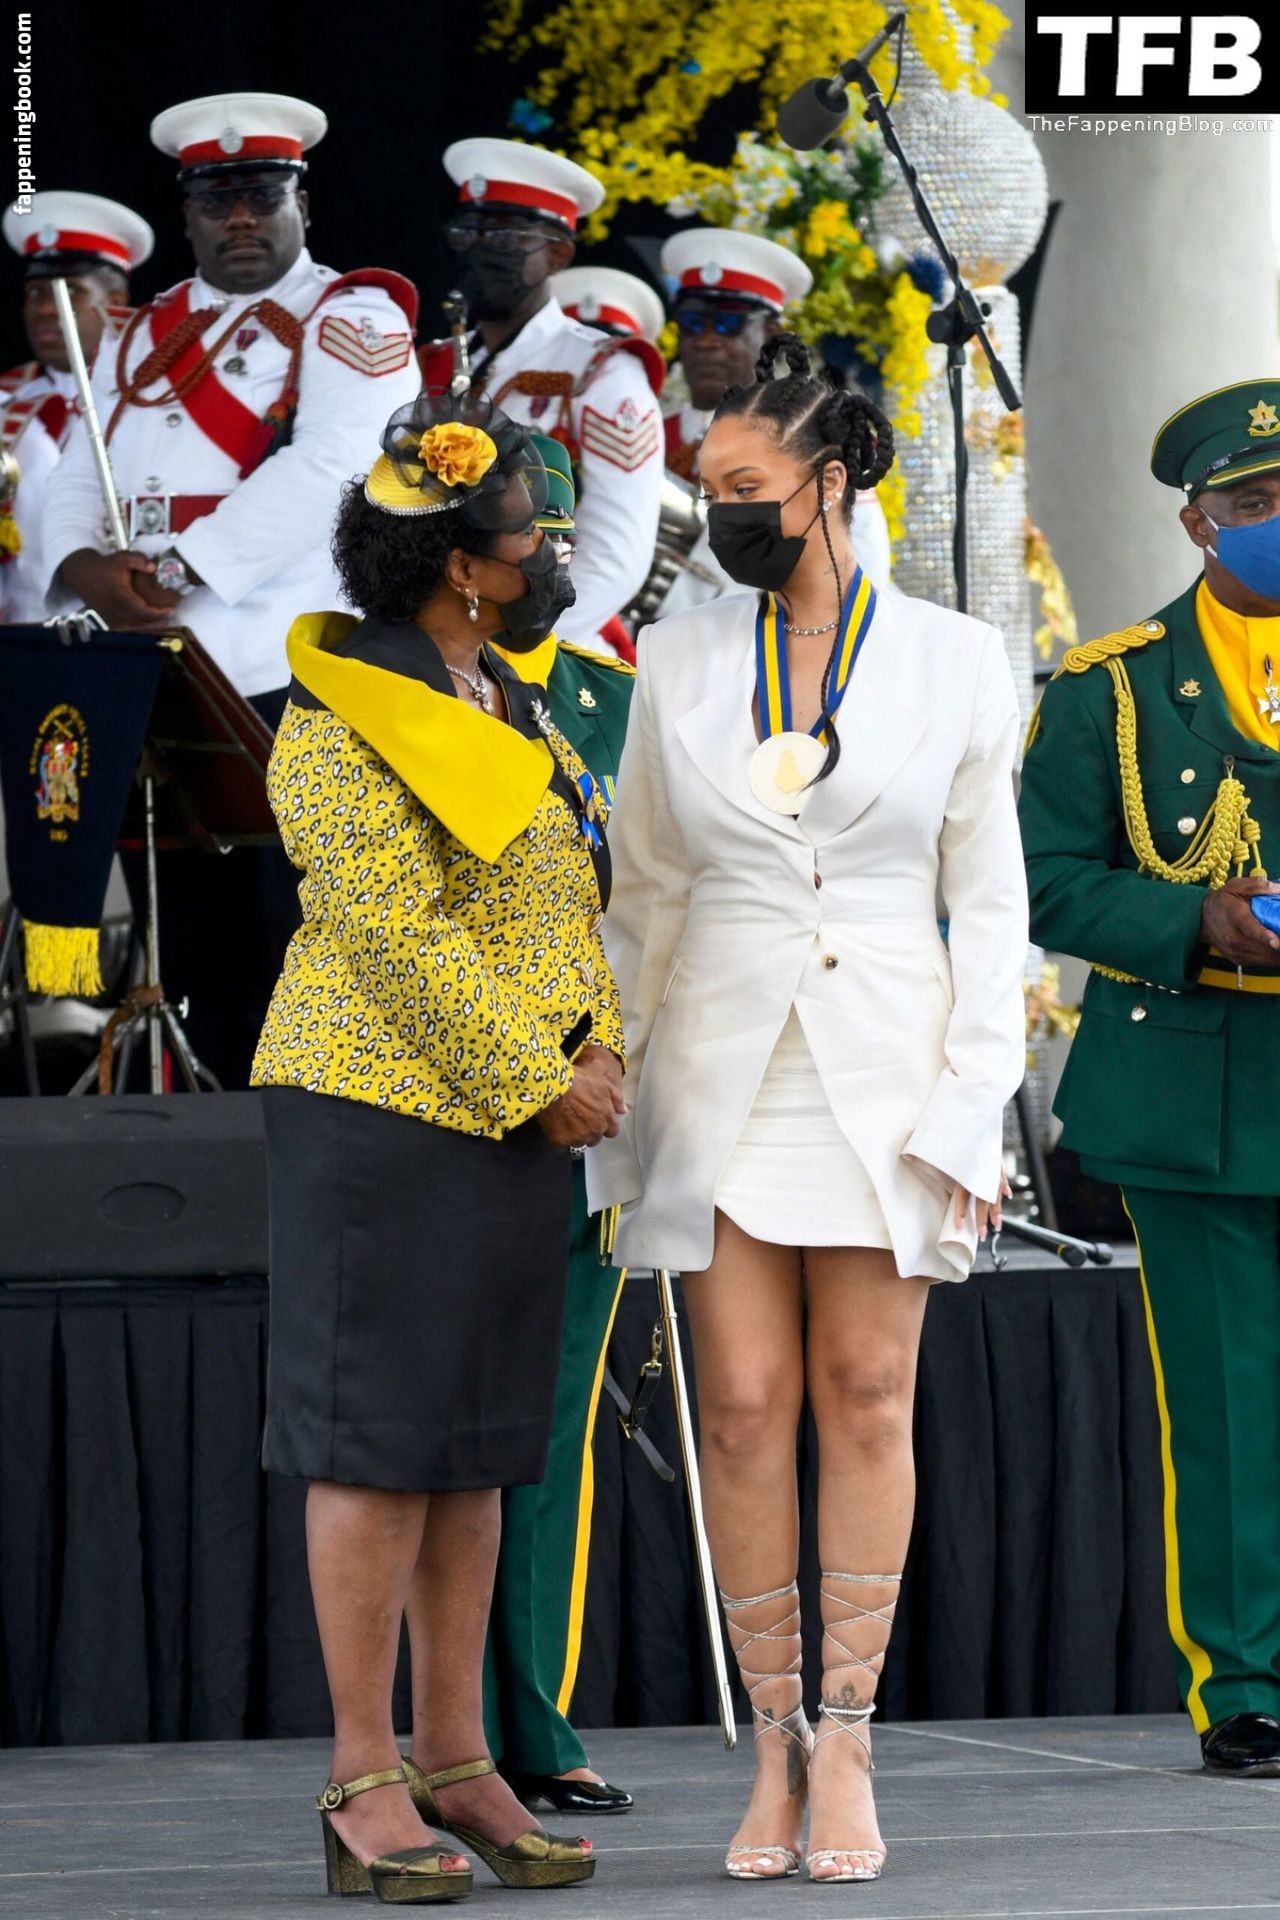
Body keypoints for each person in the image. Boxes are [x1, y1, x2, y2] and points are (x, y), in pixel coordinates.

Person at [588, 336, 1027, 1883]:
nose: (721, 514)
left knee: (867, 1395)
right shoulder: (679, 656)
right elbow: (645, 893)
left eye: (746, 486)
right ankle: (769, 1744)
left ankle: (848, 1736)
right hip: (719, 1072)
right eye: (707, 489)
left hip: (891, 1075)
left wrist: (975, 1110)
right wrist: (612, 1091)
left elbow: (993, 906)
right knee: (742, 1407)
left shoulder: (959, 659)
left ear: (831, 481)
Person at [252, 394, 624, 1900]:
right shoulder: (340, 710)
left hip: (512, 1108)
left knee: (472, 1453)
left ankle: (458, 1758)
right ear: (462, 566)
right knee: (377, 1446)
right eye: (531, 537)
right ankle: (362, 1774)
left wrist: (595, 1046)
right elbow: (386, 931)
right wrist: (539, 1075)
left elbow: (565, 891)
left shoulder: (502, 697)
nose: (552, 559)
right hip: (380, 1108)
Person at [41, 92, 420, 1088]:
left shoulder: (354, 318)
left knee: (291, 937)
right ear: (189, 214)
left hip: (285, 668)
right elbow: (76, 473)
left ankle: (302, 1149)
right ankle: (202, 1148)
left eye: (262, 195)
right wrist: (81, 567)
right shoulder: (142, 330)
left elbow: (336, 467)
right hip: (149, 666)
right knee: (183, 939)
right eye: (219, 201)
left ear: (303, 204)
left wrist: (176, 571)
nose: (241, 218)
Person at [1019, 379, 1280, 1780]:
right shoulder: (1112, 687)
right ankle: (1244, 1683)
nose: (1277, 521)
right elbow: (1043, 880)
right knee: (1230, 1406)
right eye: (1253, 503)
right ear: (1197, 522)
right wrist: (1193, 921)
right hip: (1199, 1087)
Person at [483, 434, 634, 1816]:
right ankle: (435, 1732)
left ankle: (534, 1718)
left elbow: (663, 910)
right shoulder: (385, 696)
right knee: (427, 1436)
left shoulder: (618, 703)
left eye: (568, 534)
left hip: (590, 1111)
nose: (557, 561)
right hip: (442, 1105)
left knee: (550, 1426)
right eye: (534, 534)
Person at [419, 137, 663, 659]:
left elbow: (617, 553)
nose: (482, 250)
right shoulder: (431, 363)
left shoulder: (602, 371)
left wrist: (505, 645)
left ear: (558, 254)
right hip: (425, 635)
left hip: (537, 652)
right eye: (470, 232)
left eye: (506, 237)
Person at [658, 228, 891, 611]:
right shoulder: (653, 436)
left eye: (728, 323)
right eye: (692, 322)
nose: (706, 340)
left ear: (771, 332)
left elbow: (862, 564)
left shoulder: (819, 436)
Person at [0, 191, 153, 623]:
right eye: (35, 292)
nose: (46, 309)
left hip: (125, 624)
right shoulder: (6, 401)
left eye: (71, 291)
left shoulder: (154, 400)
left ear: (116, 301)